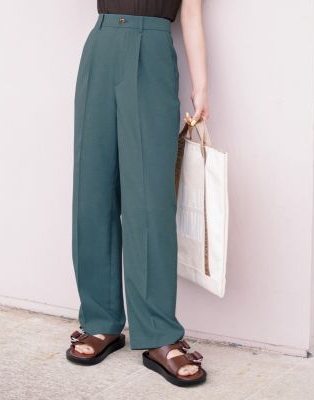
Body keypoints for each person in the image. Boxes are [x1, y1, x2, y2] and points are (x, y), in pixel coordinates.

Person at [67, 0, 209, 387]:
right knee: (92, 191)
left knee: (150, 200)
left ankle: (159, 334)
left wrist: (201, 86)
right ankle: (100, 321)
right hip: (101, 47)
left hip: (154, 53)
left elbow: (192, 14)